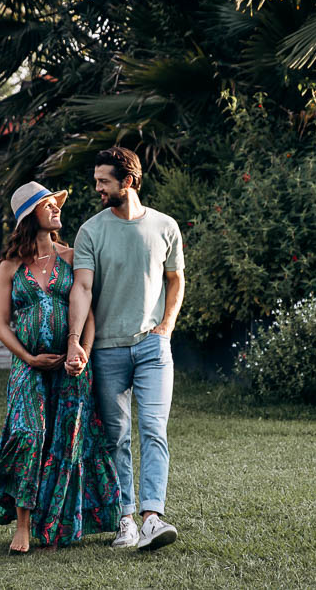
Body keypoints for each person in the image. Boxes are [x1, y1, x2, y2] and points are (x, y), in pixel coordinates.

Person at [0, 181, 122, 554]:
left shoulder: (72, 257)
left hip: (71, 366)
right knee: (30, 434)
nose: (56, 208)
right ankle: (23, 525)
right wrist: (28, 358)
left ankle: (55, 524)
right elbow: (0, 324)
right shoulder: (9, 267)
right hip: (27, 366)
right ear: (29, 217)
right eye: (47, 204)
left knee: (65, 441)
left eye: (54, 203)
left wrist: (83, 353)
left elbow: (88, 311)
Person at [66, 147, 185, 551]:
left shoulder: (166, 226)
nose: (97, 187)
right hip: (107, 351)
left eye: (104, 181)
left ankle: (153, 517)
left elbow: (176, 280)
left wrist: (166, 327)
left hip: (153, 348)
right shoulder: (91, 231)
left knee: (154, 430)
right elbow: (81, 288)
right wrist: (76, 343)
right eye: (97, 180)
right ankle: (125, 520)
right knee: (116, 437)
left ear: (128, 182)